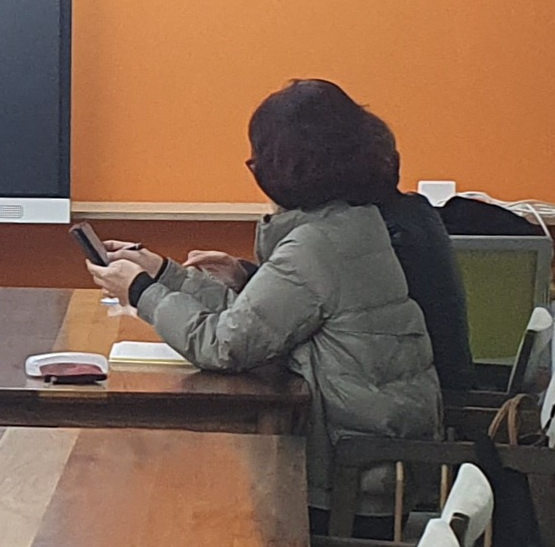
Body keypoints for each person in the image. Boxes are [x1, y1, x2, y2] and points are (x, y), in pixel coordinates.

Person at [87, 79, 443, 513]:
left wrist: (141, 291)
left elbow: (224, 345)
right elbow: (252, 319)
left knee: (176, 494)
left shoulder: (315, 246)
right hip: (380, 454)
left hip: (352, 481)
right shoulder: (353, 223)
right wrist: (163, 273)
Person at [168, 105, 475, 392]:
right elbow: (328, 305)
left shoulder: (367, 235)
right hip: (413, 395)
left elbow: (233, 345)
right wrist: (248, 277)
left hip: (394, 408)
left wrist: (148, 287)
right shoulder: (406, 215)